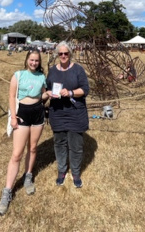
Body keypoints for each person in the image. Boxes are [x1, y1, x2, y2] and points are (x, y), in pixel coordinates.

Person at [0, 50, 48, 216]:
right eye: (31, 60)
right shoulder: (17, 75)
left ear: (39, 62)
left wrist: (50, 94)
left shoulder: (42, 77)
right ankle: (7, 191)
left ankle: (28, 176)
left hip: (38, 113)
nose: (34, 63)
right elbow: (12, 97)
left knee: (33, 148)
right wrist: (13, 118)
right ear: (27, 60)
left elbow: (43, 95)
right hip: (22, 114)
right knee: (17, 154)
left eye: (36, 61)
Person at [44, 41, 89, 188]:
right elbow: (46, 88)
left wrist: (70, 93)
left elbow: (85, 90)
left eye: (66, 53)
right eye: (60, 53)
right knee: (59, 143)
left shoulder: (78, 70)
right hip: (57, 112)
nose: (63, 56)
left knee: (76, 145)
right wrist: (48, 93)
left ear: (70, 54)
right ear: (57, 54)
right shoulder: (52, 71)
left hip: (75, 112)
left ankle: (75, 173)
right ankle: (62, 171)